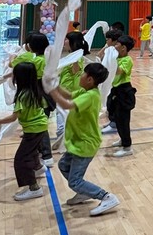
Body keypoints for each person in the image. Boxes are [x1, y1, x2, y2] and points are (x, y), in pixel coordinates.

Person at [49, 62, 121, 215]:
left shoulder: (90, 96)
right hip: (77, 142)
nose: (80, 75)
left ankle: (106, 196)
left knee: (74, 181)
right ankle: (83, 191)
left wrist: (51, 90)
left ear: (89, 79)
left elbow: (67, 104)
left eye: (83, 73)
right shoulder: (85, 91)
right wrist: (54, 84)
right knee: (63, 165)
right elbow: (68, 95)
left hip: (85, 144)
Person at [0, 61, 49, 201]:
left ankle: (34, 188)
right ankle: (38, 167)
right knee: (32, 151)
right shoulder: (35, 90)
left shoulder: (22, 96)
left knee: (21, 159)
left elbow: (14, 117)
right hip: (41, 126)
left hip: (33, 130)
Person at [11, 32, 54, 166]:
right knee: (40, 125)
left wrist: (15, 57)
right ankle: (40, 152)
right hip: (46, 93)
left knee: (41, 127)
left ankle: (47, 155)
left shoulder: (35, 61)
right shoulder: (46, 58)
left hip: (40, 94)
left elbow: (17, 68)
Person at [53, 32, 90, 150]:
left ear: (73, 43)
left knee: (62, 122)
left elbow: (75, 71)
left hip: (70, 94)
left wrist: (75, 57)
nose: (64, 42)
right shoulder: (71, 56)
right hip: (63, 92)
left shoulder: (77, 57)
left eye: (66, 39)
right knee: (63, 120)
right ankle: (66, 143)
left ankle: (67, 146)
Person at [107, 35, 136, 158]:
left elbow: (118, 71)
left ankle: (127, 147)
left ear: (123, 47)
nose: (115, 46)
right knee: (117, 118)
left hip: (124, 91)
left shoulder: (127, 60)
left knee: (123, 120)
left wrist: (111, 58)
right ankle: (122, 139)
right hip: (116, 90)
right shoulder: (117, 57)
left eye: (117, 44)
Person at [100, 28, 123, 135]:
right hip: (109, 81)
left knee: (114, 103)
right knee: (109, 102)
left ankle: (114, 125)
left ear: (114, 40)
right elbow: (100, 57)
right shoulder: (109, 50)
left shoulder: (117, 53)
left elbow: (115, 69)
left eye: (107, 40)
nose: (106, 42)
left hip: (116, 82)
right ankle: (112, 122)